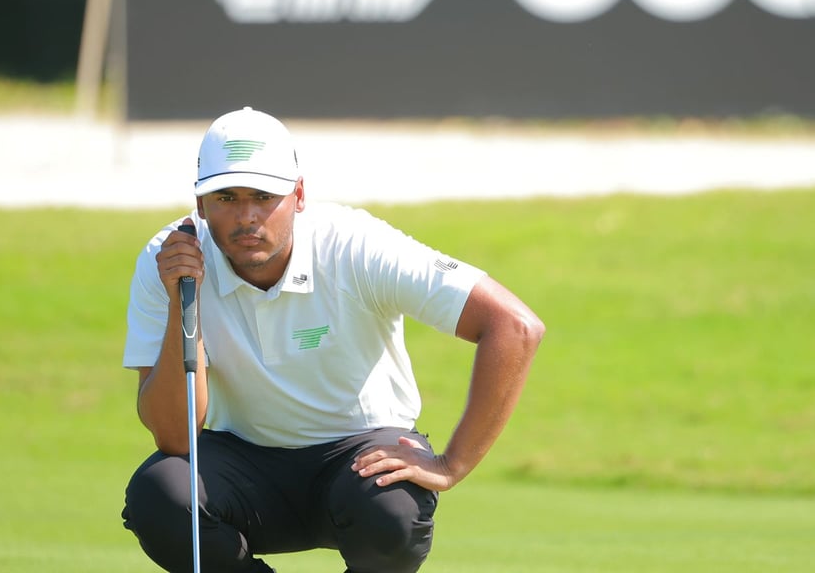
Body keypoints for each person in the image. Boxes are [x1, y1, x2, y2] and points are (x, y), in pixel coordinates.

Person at [121, 106, 545, 573]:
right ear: (200, 205)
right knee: (159, 493)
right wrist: (187, 302)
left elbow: (514, 326)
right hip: (244, 460)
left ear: (298, 195)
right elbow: (175, 435)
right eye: (226, 197)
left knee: (393, 512)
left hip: (357, 457)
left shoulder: (354, 246)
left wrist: (452, 464)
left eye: (264, 195)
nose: (247, 216)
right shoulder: (171, 260)